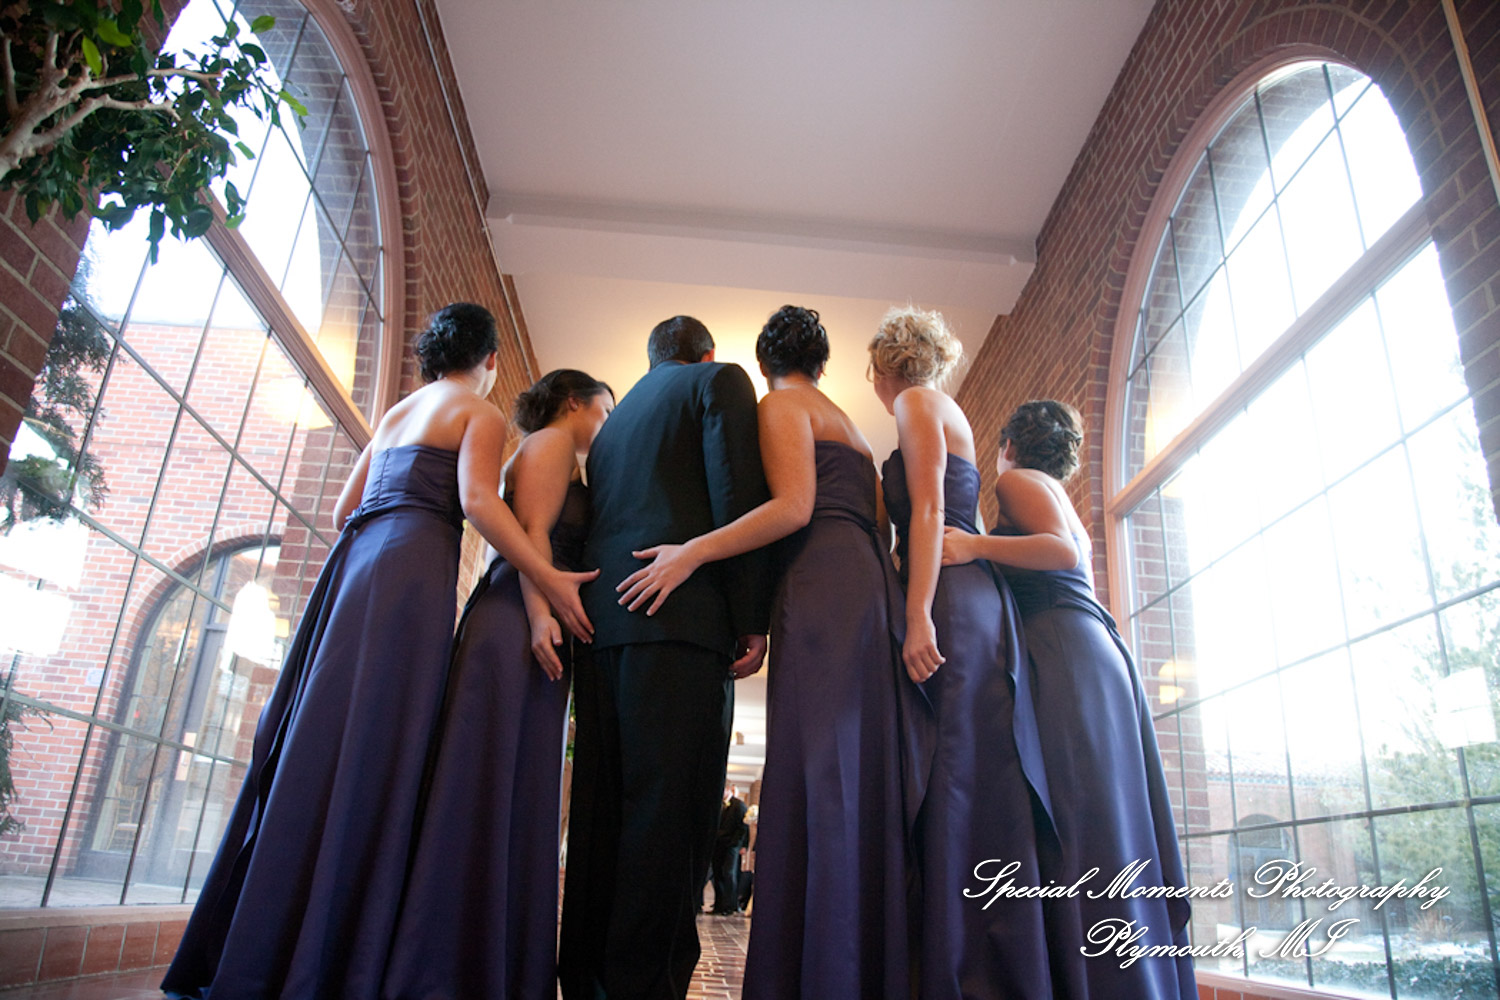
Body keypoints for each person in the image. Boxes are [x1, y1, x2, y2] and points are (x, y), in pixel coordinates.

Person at [162, 304, 597, 1000]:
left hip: (356, 566)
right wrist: (545, 575)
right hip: (411, 571)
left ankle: (263, 945)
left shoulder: (400, 411)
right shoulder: (478, 415)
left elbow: (342, 509)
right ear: (489, 361)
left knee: (326, 737)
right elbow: (481, 505)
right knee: (385, 747)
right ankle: (340, 950)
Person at [616, 304, 920, 999]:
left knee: (816, 763)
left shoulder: (783, 406)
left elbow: (791, 508)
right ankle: (858, 958)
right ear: (822, 362)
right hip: (867, 584)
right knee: (854, 761)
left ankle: (818, 967)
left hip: (821, 582)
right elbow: (875, 524)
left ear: (763, 364)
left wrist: (692, 552)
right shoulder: (848, 423)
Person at [941, 400, 1197, 999]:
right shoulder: (1055, 489)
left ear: (1009, 442)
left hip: (1065, 653)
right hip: (1091, 654)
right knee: (1107, 823)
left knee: (1082, 824)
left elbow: (1060, 553)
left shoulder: (1016, 479)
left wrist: (975, 548)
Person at [558, 315, 773, 1000]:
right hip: (680, 624)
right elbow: (733, 493)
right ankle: (642, 988)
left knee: (603, 815)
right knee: (670, 818)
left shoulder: (612, 426)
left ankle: (588, 979)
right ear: (707, 353)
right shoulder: (720, 381)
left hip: (603, 633)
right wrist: (750, 618)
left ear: (650, 361)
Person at [382, 369, 614, 1000]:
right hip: (518, 622)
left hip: (522, 619)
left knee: (506, 789)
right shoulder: (552, 442)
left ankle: (481, 961)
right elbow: (532, 536)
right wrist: (542, 617)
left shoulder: (553, 448)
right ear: (574, 403)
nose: (607, 422)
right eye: (605, 408)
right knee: (486, 787)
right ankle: (451, 968)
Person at [870, 306, 1055, 1000]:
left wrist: (916, 614)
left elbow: (926, 510)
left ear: (884, 366)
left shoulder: (917, 403)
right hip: (963, 593)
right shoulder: (943, 406)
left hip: (946, 596)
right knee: (961, 776)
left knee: (947, 773)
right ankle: (966, 961)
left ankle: (954, 972)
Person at [710, 783, 749, 915]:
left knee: (729, 874)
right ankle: (718, 905)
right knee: (717, 875)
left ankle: (730, 906)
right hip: (718, 846)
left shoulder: (739, 805)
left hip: (731, 846)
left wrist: (737, 844)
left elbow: (743, 827)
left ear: (728, 789)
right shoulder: (718, 806)